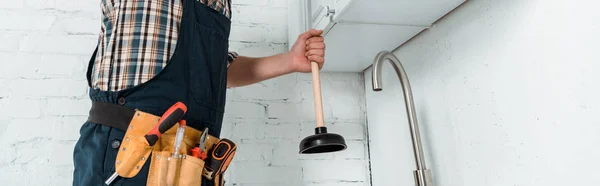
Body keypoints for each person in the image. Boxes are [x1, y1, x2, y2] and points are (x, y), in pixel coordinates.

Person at [72, 0, 326, 185]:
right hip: (130, 155)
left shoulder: (218, 3)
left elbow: (211, 70)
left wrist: (290, 61)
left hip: (193, 165)